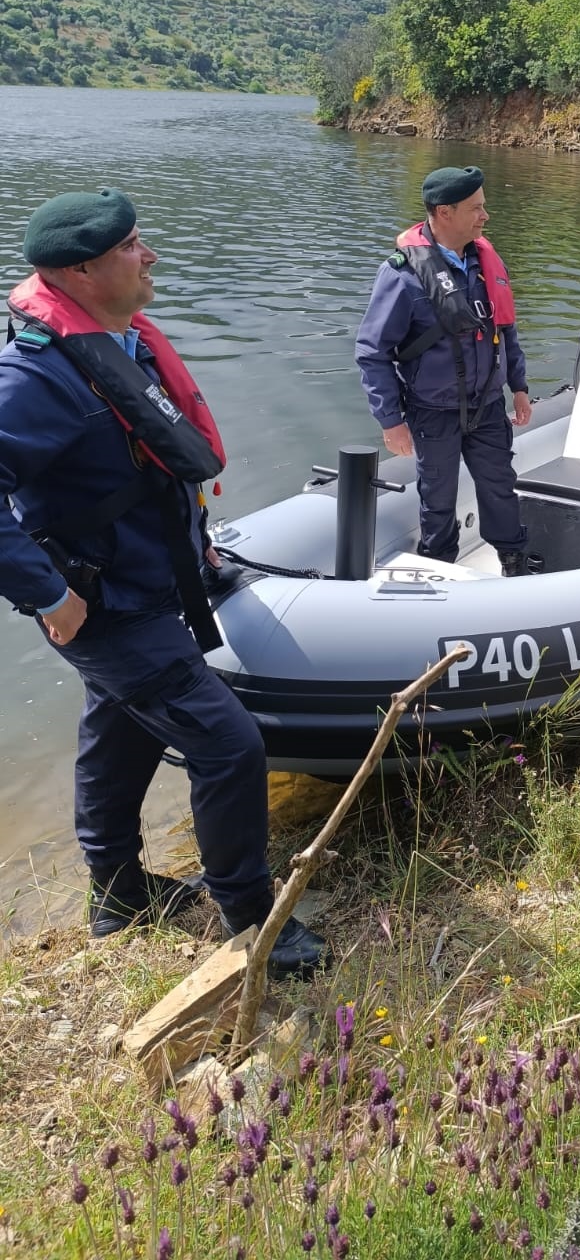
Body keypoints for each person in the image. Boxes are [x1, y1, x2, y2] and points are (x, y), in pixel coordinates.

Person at [0, 189, 327, 976]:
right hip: (105, 606)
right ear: (79, 272)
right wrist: (47, 593)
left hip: (155, 583)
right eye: (133, 247)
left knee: (120, 730)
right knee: (229, 747)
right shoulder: (33, 379)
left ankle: (117, 895)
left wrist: (197, 548)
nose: (151, 256)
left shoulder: (121, 344)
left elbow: (147, 468)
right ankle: (251, 920)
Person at [355, 165, 532, 574]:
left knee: (500, 488)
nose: (485, 216)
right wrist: (390, 421)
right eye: (476, 208)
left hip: (487, 407)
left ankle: (513, 560)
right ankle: (439, 566)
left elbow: (506, 331)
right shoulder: (401, 275)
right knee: (437, 499)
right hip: (433, 412)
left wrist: (519, 386)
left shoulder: (486, 264)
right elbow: (371, 352)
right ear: (444, 212)